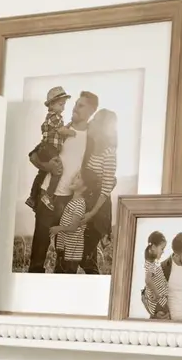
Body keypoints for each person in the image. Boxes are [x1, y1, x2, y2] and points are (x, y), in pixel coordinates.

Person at [26, 91, 99, 273]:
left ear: (91, 111)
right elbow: (33, 156)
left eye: (81, 105)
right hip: (47, 196)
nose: (74, 108)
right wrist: (47, 166)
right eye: (75, 104)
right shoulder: (60, 130)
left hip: (71, 202)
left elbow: (97, 172)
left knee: (64, 254)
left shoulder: (91, 140)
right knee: (39, 250)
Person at [77, 108, 118, 274]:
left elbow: (106, 190)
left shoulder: (109, 153)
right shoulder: (89, 148)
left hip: (98, 211)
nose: (90, 122)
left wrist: (91, 214)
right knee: (88, 258)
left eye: (94, 120)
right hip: (85, 204)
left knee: (82, 255)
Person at [25, 86, 76, 211]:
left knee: (42, 173)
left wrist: (68, 126)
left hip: (48, 148)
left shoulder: (53, 118)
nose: (63, 108)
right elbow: (61, 131)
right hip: (49, 148)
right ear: (51, 105)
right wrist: (72, 132)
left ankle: (32, 197)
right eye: (60, 104)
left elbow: (59, 130)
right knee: (58, 170)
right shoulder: (55, 117)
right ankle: (48, 195)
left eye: (64, 104)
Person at [48, 173, 89, 273]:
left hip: (71, 252)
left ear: (84, 188)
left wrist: (59, 228)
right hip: (65, 249)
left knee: (67, 275)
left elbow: (73, 227)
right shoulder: (73, 201)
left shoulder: (79, 204)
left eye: (78, 177)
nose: (73, 178)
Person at [140, 231, 169, 317]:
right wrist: (157, 294)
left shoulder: (153, 263)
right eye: (162, 249)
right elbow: (147, 280)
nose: (163, 252)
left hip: (159, 301)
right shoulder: (151, 264)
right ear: (153, 247)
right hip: (159, 301)